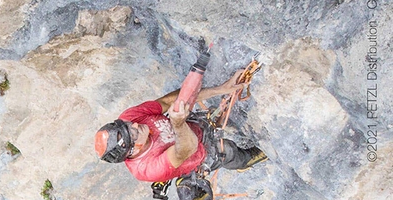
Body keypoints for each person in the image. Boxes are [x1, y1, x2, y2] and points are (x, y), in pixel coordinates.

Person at [94, 70, 267, 184]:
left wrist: (220, 89)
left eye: (129, 125)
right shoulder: (147, 169)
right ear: (131, 150)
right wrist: (178, 123)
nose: (136, 124)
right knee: (227, 151)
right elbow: (188, 148)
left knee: (214, 115)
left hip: (189, 126)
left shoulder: (129, 117)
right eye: (134, 132)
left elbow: (168, 101)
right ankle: (246, 160)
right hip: (195, 154)